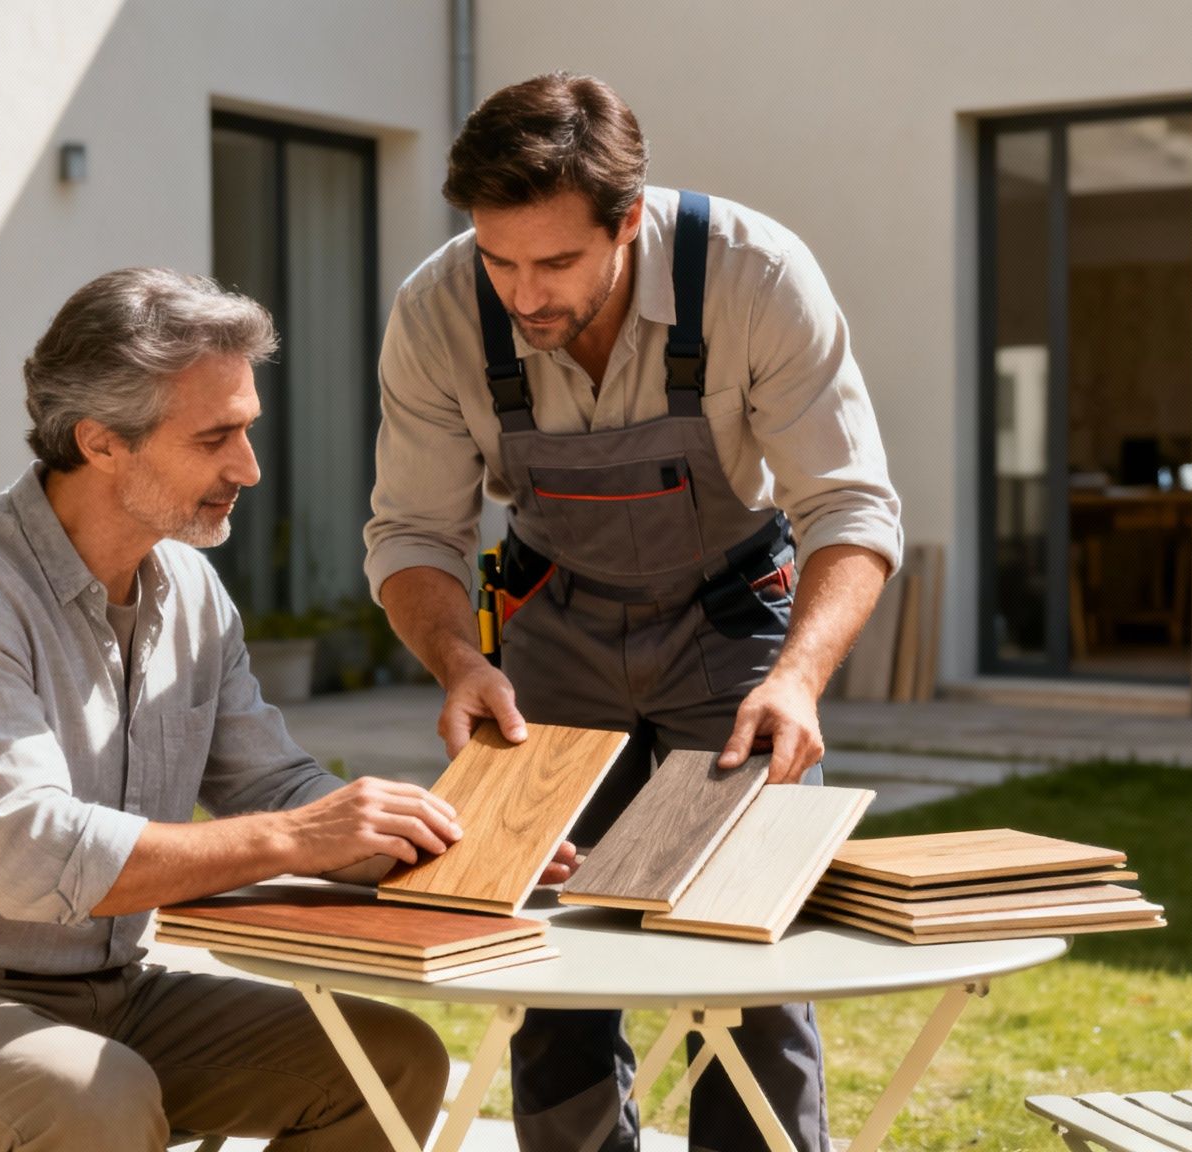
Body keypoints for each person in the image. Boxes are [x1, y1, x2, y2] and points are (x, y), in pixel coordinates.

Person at [0, 268, 470, 1152]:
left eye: (247, 430)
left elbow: (271, 784)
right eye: (216, 437)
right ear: (101, 442)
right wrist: (301, 837)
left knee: (393, 1062)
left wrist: (452, 846)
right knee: (95, 1103)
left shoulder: (189, 586)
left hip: (118, 995)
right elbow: (34, 856)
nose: (250, 467)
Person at [364, 72, 902, 1152]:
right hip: (549, 627)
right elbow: (411, 536)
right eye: (498, 259)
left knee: (744, 943)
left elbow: (848, 505)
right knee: (548, 946)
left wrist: (795, 678)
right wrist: (457, 667)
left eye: (555, 263)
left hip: (732, 629)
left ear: (628, 222)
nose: (522, 295)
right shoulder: (436, 311)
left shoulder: (755, 276)